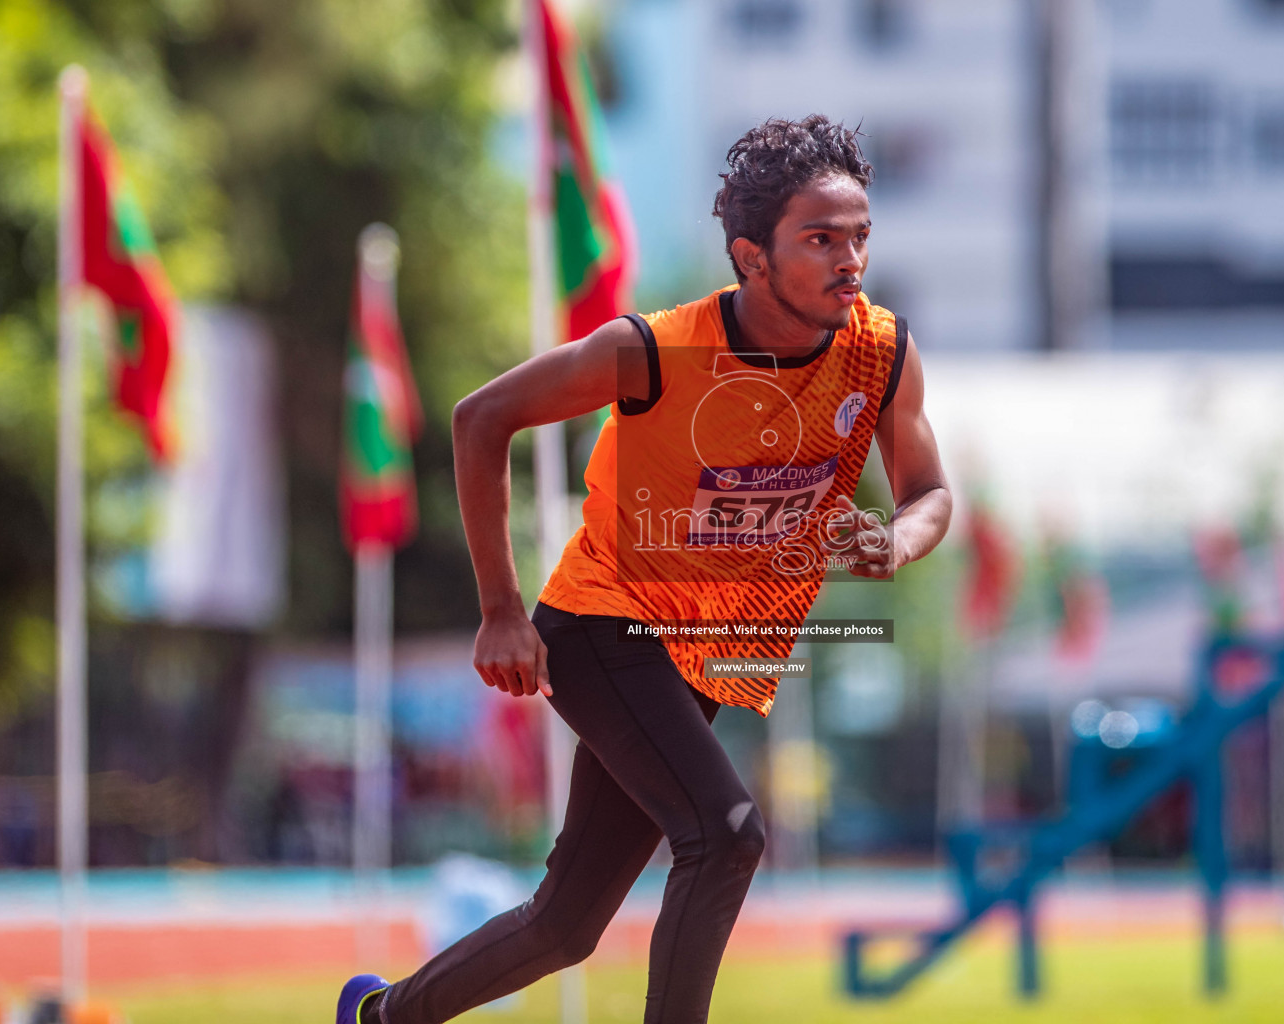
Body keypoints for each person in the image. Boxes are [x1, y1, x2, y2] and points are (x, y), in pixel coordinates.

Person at [338, 114, 952, 1024]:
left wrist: (896, 539)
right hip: (599, 626)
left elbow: (930, 493)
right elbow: (480, 420)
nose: (849, 260)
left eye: (860, 236)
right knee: (728, 835)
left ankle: (382, 1016)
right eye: (820, 240)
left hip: (701, 657)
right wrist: (501, 608)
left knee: (568, 924)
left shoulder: (882, 353)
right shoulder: (656, 351)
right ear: (751, 256)